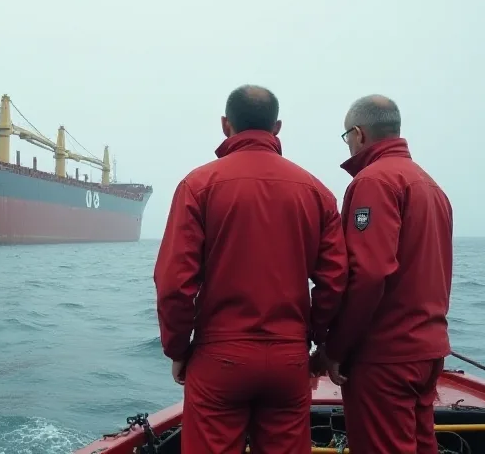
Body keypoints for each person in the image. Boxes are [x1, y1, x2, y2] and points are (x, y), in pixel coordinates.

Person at [154, 85, 349, 453]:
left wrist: (178, 348)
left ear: (226, 125)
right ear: (277, 128)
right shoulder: (317, 192)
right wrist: (316, 340)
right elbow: (335, 281)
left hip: (219, 358)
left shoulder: (198, 186)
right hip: (288, 359)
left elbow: (173, 283)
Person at [319, 94, 454, 454]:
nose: (347, 144)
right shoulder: (431, 186)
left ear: (359, 134)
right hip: (428, 350)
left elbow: (370, 273)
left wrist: (335, 348)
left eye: (346, 136)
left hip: (385, 357)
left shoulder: (374, 182)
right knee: (421, 444)